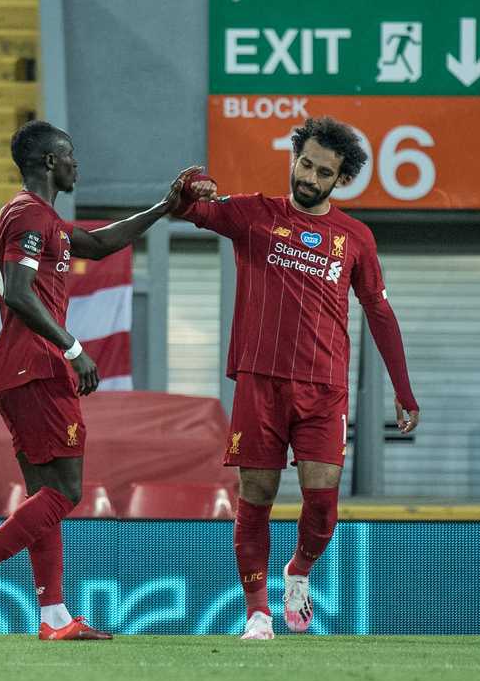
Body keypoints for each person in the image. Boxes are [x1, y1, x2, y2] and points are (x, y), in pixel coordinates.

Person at [0, 120, 200, 641]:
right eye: (71, 154)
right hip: (36, 366)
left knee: (44, 497)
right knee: (67, 491)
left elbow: (97, 244)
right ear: (51, 161)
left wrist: (165, 207)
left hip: (18, 368)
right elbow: (18, 291)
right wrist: (74, 349)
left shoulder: (42, 218)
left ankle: (54, 617)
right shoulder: (30, 216)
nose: (78, 163)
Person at [165, 116, 421, 640]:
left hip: (324, 388)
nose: (309, 177)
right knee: (256, 495)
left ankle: (299, 571)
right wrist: (190, 188)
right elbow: (188, 209)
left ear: (341, 179)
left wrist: (403, 389)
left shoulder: (355, 238)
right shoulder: (253, 214)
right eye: (305, 164)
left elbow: (379, 312)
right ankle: (257, 613)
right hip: (259, 381)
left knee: (322, 505)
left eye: (323, 172)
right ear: (295, 158)